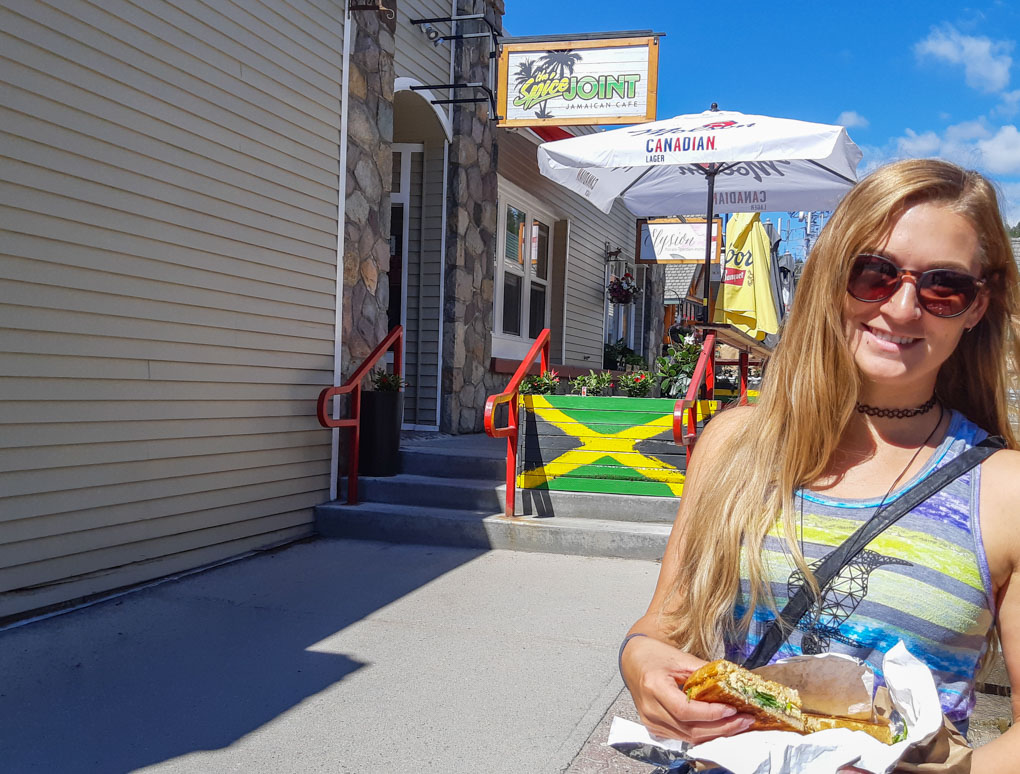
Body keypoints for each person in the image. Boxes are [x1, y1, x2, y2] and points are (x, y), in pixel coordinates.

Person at [618, 159, 1020, 771]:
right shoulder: (736, 445)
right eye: (873, 273)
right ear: (832, 277)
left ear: (976, 307)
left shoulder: (1003, 490)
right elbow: (662, 625)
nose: (903, 308)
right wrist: (640, 659)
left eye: (943, 287)